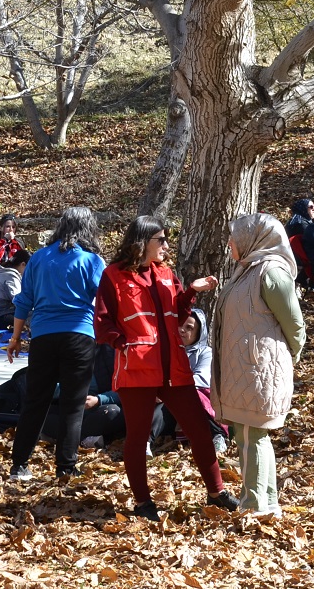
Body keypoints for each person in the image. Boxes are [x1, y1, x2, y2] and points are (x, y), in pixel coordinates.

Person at [93, 216, 238, 520]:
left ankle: (217, 492)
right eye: (161, 239)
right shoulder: (114, 275)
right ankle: (143, 502)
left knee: (199, 428)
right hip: (137, 371)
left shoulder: (166, 273)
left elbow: (178, 313)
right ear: (143, 241)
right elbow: (102, 322)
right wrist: (122, 343)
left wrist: (191, 291)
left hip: (174, 368)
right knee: (138, 436)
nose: (166, 246)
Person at [4, 206, 106, 484]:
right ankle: (65, 467)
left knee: (35, 401)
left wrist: (15, 339)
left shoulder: (38, 258)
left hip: (43, 337)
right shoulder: (92, 261)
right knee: (73, 405)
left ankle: (19, 465)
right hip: (79, 337)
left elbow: (24, 300)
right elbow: (106, 301)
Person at [213, 214, 306, 517]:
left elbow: (295, 324)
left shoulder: (271, 273)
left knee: (253, 434)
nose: (230, 243)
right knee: (248, 434)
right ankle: (266, 504)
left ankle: (254, 506)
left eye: (234, 237)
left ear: (254, 239)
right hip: (243, 369)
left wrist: (286, 358)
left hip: (259, 369)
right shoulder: (246, 271)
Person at [153, 307, 231, 456]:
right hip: (168, 401)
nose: (182, 330)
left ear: (198, 333)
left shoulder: (205, 352)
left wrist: (169, 388)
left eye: (189, 328)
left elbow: (201, 379)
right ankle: (147, 442)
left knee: (190, 395)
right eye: (180, 324)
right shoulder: (166, 352)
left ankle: (217, 435)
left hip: (195, 399)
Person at [0, 250, 29, 331]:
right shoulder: (10, 276)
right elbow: (18, 300)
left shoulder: (5, 272)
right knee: (34, 319)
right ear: (23, 264)